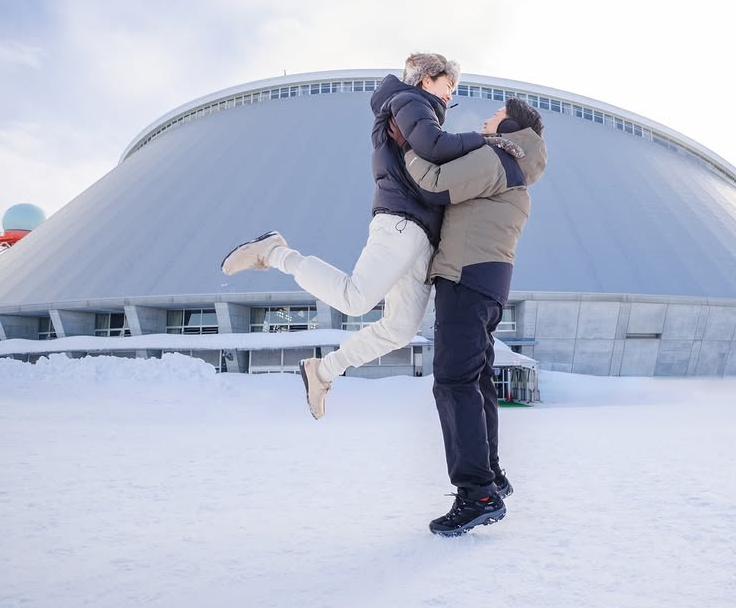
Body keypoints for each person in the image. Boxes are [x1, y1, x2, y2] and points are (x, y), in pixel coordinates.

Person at [220, 53, 486, 419]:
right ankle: (275, 252)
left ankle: (323, 371)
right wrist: (485, 139)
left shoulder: (421, 110)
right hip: (401, 221)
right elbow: (434, 147)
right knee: (355, 297)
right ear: (427, 79)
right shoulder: (409, 101)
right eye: (448, 85)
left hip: (422, 236)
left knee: (401, 329)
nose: (450, 95)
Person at [401, 97, 547, 536]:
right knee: (476, 380)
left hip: (467, 276)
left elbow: (434, 183)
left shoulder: (498, 157)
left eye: (493, 119)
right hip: (486, 279)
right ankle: (491, 475)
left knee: (454, 382)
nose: (484, 124)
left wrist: (404, 142)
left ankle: (478, 494)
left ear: (509, 128)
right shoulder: (516, 169)